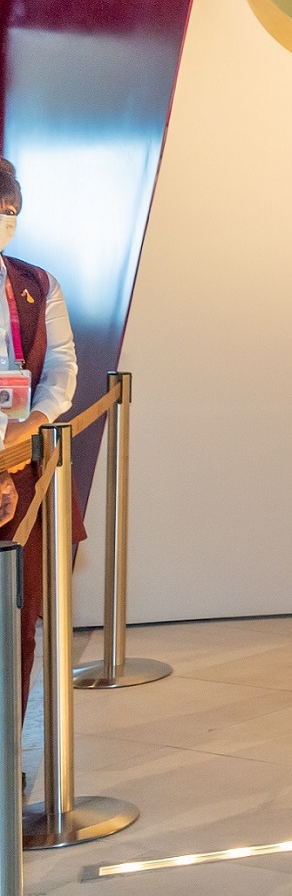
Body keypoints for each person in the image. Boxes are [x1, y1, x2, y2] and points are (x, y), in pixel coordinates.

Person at [0, 158, 79, 709]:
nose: (6, 219)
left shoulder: (36, 283)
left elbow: (63, 366)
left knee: (18, 618)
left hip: (22, 459)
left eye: (11, 211)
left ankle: (6, 763)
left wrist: (35, 421)